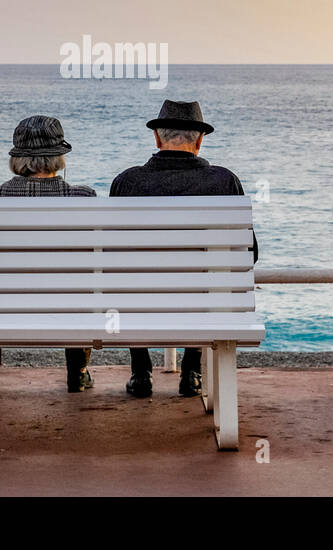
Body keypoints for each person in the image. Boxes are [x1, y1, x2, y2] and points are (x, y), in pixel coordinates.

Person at [109, 100, 258, 398]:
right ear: (200, 140)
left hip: (138, 306)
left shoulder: (127, 182)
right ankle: (191, 372)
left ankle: (141, 373)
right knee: (206, 284)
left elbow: (112, 257)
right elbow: (248, 255)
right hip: (201, 305)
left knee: (125, 281)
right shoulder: (224, 182)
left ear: (157, 138)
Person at [0, 115, 97, 393]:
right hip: (72, 311)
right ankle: (78, 372)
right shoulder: (84, 199)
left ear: (17, 159)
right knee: (78, 287)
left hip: (2, 312)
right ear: (60, 158)